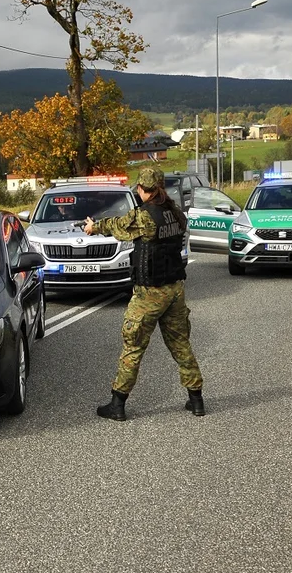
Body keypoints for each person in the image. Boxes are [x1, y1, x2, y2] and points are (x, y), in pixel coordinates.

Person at [83, 166, 205, 420]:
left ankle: (117, 404)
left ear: (142, 189)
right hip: (175, 289)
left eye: (138, 188)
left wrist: (93, 227)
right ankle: (196, 400)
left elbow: (117, 226)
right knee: (181, 344)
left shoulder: (144, 216)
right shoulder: (176, 214)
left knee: (133, 346)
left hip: (150, 293)